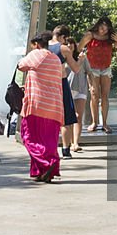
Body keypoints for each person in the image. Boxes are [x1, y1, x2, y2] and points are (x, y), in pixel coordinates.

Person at [17, 32, 64, 183]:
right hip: (55, 107)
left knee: (27, 136)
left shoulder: (36, 54)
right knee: (49, 141)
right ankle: (43, 173)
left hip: (37, 105)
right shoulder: (55, 59)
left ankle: (46, 164)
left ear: (37, 44)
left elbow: (20, 65)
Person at [79, 16, 117, 133]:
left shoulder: (110, 38)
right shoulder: (90, 35)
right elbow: (79, 47)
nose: (103, 31)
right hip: (93, 69)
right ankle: (94, 122)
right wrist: (82, 61)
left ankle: (105, 123)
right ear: (98, 26)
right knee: (94, 95)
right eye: (101, 28)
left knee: (105, 96)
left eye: (106, 29)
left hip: (105, 68)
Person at [49, 26, 80, 156]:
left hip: (46, 85)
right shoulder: (63, 49)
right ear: (63, 37)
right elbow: (76, 69)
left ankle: (49, 148)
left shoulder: (42, 46)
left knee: (49, 118)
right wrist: (81, 59)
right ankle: (66, 150)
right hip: (61, 84)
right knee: (65, 118)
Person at [66, 39, 91, 152]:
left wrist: (92, 86)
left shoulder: (81, 58)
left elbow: (89, 72)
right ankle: (70, 142)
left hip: (81, 89)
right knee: (70, 117)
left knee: (78, 116)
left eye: (71, 43)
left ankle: (76, 142)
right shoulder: (61, 58)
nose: (69, 45)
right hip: (67, 89)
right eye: (66, 43)